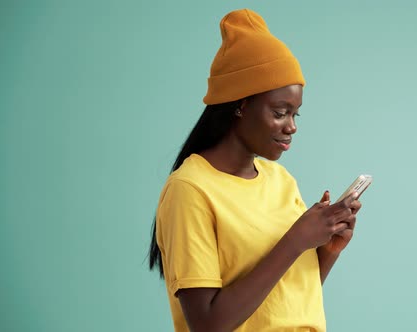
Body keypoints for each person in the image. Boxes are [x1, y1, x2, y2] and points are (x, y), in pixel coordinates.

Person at [148, 8, 363, 332]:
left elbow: (285, 302)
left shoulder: (281, 181)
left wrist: (325, 252)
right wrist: (295, 241)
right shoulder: (190, 189)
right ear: (239, 104)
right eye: (280, 112)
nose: (291, 127)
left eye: (296, 115)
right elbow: (208, 325)